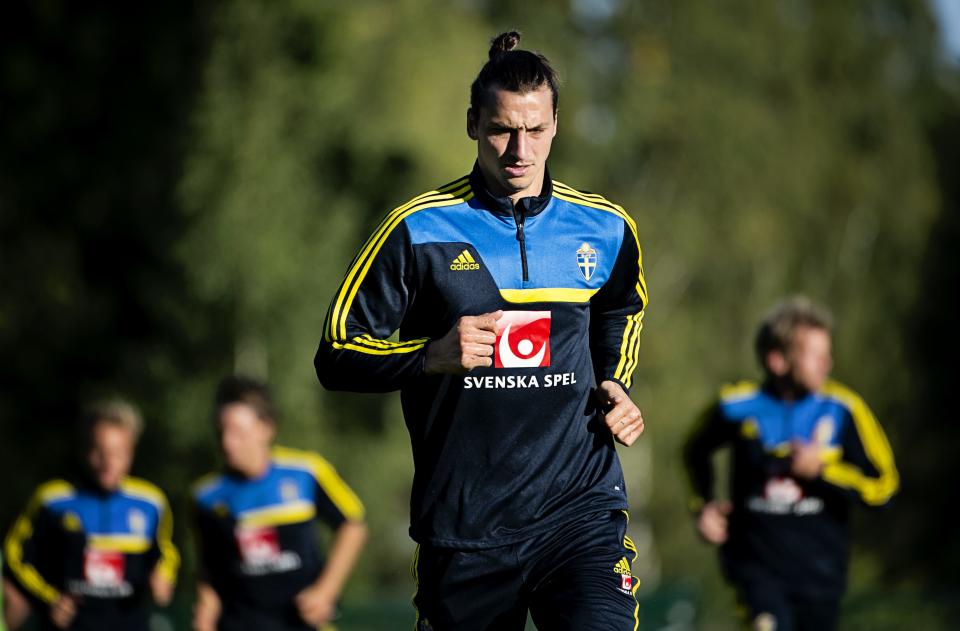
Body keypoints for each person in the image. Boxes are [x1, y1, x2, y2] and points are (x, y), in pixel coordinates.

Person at [314, 31, 648, 630]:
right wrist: (429, 356)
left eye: (535, 130)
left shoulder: (605, 228)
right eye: (502, 129)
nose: (519, 150)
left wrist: (614, 382)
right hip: (465, 533)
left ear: (556, 125)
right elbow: (336, 355)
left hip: (579, 515)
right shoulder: (416, 230)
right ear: (472, 123)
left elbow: (620, 309)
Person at [683, 296, 899, 631]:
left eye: (827, 353)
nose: (827, 363)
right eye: (815, 355)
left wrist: (822, 472)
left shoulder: (844, 410)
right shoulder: (736, 405)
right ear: (777, 360)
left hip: (821, 576)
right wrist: (704, 506)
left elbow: (884, 488)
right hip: (756, 570)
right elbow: (694, 451)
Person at [191, 376, 367, 631]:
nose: (228, 443)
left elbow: (353, 526)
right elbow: (208, 567)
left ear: (266, 427)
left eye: (238, 432)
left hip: (301, 623)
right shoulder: (206, 496)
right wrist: (206, 612)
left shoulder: (307, 472)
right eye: (222, 432)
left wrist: (326, 591)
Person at [2, 399, 179, 631]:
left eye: (117, 453)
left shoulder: (151, 502)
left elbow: (165, 553)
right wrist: (49, 599)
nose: (108, 463)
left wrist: (164, 577)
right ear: (85, 449)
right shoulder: (52, 500)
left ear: (131, 453)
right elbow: (14, 555)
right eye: (100, 451)